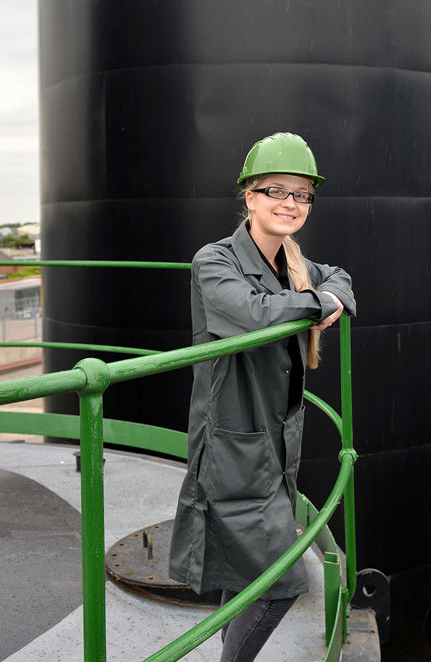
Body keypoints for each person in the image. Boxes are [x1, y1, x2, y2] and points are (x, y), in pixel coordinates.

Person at [169, 132, 356, 661]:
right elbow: (253, 312)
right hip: (232, 448)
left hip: (275, 446)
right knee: (279, 582)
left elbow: (341, 280)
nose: (290, 204)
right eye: (277, 190)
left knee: (244, 573)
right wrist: (317, 303)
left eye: (301, 195)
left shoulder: (291, 262)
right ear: (249, 196)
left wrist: (324, 296)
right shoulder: (214, 260)